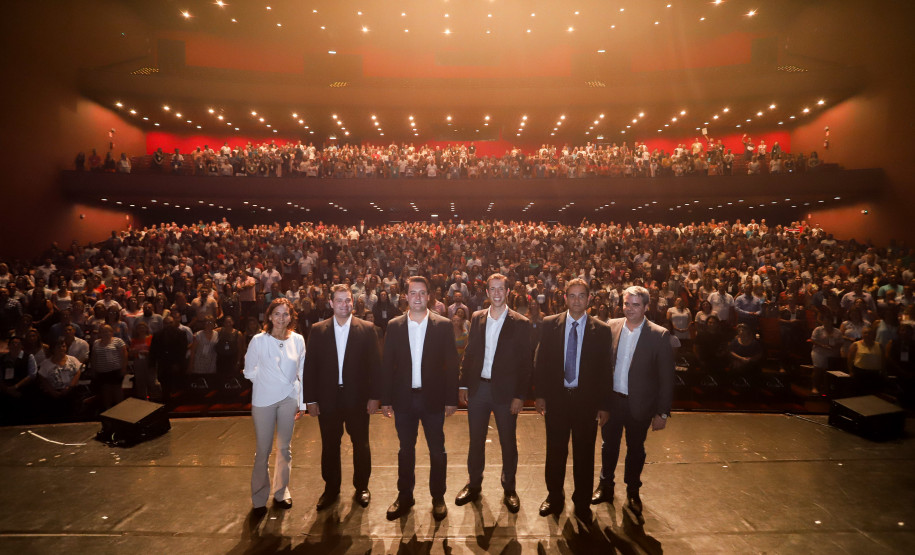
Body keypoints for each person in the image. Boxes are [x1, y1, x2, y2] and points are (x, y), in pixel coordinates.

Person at [380, 276, 459, 521]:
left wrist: (451, 398)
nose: (417, 297)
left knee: (437, 451)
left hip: (433, 400)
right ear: (406, 296)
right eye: (413, 293)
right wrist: (385, 399)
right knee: (406, 451)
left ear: (429, 296)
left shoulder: (443, 325)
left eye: (422, 293)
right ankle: (405, 496)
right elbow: (387, 365)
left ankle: (438, 498)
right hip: (404, 400)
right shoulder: (394, 326)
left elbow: (452, 364)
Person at [593, 286, 675, 525]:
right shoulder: (611, 326)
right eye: (627, 304)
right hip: (612, 402)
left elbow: (666, 378)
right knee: (608, 447)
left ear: (646, 307)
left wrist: (662, 412)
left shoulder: (659, 335)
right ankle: (605, 486)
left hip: (640, 405)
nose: (629, 309)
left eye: (636, 305)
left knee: (636, 450)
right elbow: (602, 369)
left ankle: (632, 492)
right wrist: (600, 401)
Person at [534, 278, 612, 524]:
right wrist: (540, 395)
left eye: (581, 295)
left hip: (585, 403)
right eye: (572, 295)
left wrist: (604, 405)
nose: (577, 300)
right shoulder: (549, 324)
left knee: (584, 455)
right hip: (557, 401)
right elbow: (542, 363)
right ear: (565, 298)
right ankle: (554, 497)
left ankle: (581, 502)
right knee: (555, 453)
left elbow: (604, 371)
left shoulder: (601, 330)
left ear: (589, 299)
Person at [455, 273, 532, 513]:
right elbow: (470, 354)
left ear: (508, 292)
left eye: (501, 289)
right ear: (487, 292)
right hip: (478, 389)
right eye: (492, 289)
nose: (497, 293)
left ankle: (509, 488)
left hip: (506, 393)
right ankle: (474, 484)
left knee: (508, 443)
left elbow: (525, 363)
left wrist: (520, 395)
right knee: (475, 441)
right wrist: (464, 384)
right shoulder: (477, 318)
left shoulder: (521, 322)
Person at [302, 284, 382, 511]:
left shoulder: (367, 329)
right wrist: (311, 400)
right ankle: (331, 489)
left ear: (353, 302)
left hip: (358, 399)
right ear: (331, 303)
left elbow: (376, 367)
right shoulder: (318, 330)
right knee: (329, 445)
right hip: (328, 399)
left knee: (361, 444)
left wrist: (375, 396)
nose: (344, 304)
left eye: (347, 300)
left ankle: (362, 487)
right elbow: (311, 368)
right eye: (339, 300)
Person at [243, 298, 306, 514]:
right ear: (269, 316)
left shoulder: (298, 340)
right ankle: (259, 497)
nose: (281, 318)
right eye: (277, 314)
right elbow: (249, 370)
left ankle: (281, 492)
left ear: (291, 317)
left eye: (285, 314)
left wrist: (302, 402)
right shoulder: (258, 340)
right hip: (263, 401)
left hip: (289, 398)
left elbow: (303, 372)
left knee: (284, 448)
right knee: (263, 450)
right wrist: (267, 382)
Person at [91, 324, 128, 410]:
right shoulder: (96, 343)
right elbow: (93, 357)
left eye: (107, 331)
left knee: (117, 392)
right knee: (105, 393)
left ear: (112, 332)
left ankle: (121, 411)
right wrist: (93, 370)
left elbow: (124, 355)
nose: (105, 333)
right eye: (103, 331)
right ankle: (108, 410)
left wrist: (123, 369)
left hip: (115, 371)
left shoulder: (118, 341)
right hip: (102, 372)